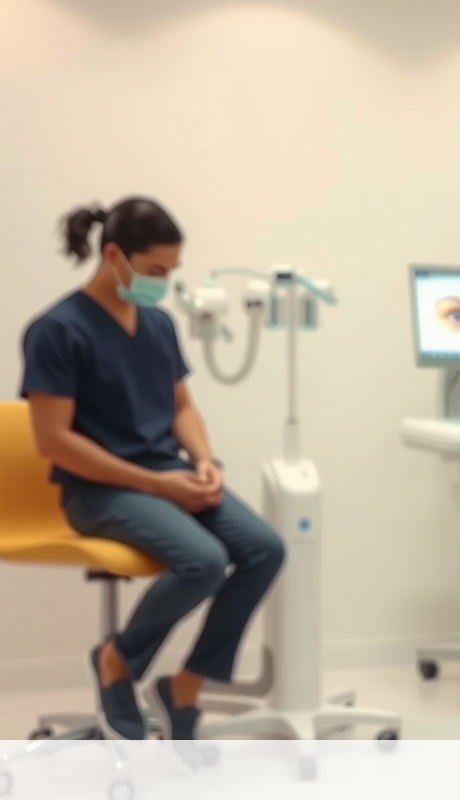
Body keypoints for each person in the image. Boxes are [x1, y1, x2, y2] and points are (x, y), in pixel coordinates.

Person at [18, 197, 286, 747]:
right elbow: (53, 440)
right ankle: (117, 660)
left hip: (167, 476)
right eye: (156, 271)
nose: (164, 283)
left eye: (171, 271)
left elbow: (182, 408)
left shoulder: (159, 325)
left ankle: (184, 688)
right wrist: (154, 483)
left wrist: (204, 462)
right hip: (96, 490)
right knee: (205, 560)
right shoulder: (56, 330)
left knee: (265, 548)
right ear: (114, 255)